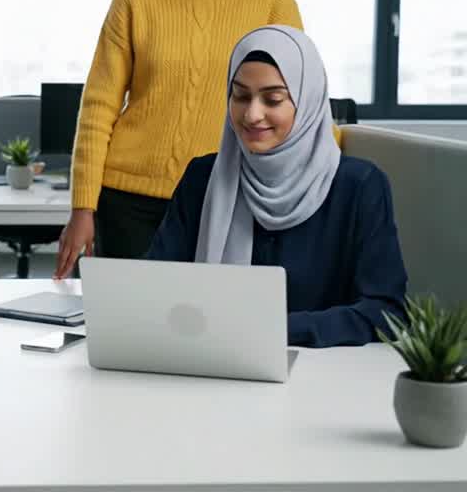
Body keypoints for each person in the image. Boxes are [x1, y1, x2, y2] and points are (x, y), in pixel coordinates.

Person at [55, 0, 305, 279]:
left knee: (217, 328)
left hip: (228, 192)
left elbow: (300, 91)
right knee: (130, 333)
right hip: (129, 200)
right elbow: (97, 109)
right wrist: (83, 208)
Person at [146, 26, 407, 348]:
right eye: (240, 96)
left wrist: (272, 328)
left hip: (323, 375)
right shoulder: (203, 177)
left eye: (273, 99)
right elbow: (155, 286)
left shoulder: (359, 186)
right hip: (212, 361)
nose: (252, 115)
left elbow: (385, 312)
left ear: (307, 101)